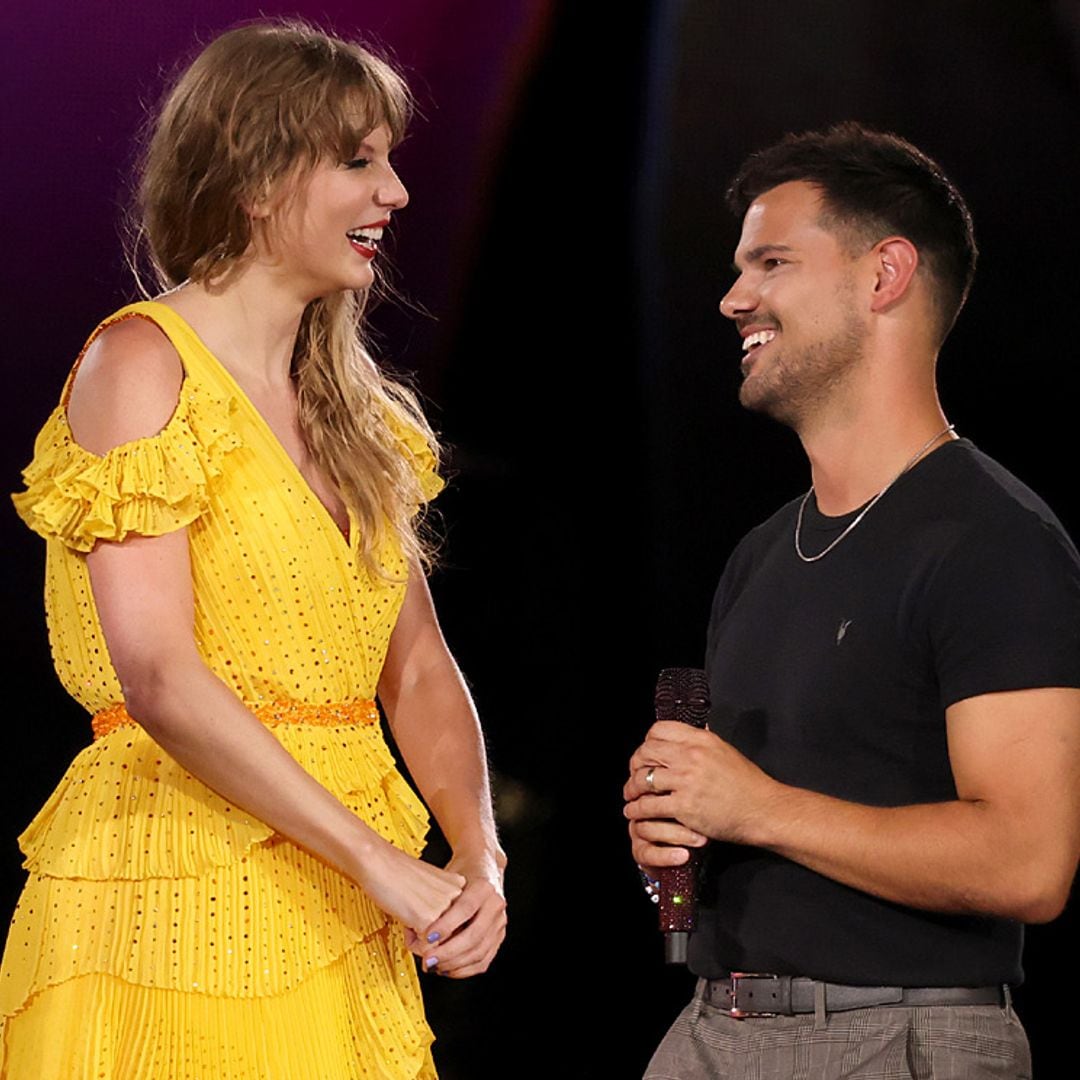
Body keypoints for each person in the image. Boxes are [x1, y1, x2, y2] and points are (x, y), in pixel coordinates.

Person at [1, 20, 505, 1079]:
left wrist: (478, 857)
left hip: (344, 905)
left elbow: (414, 666)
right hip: (174, 892)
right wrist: (381, 862)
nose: (397, 193)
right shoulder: (139, 365)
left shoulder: (358, 413)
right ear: (256, 176)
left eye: (392, 159)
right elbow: (159, 677)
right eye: (357, 160)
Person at [624, 122, 1080, 1078]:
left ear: (884, 277)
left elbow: (1031, 861)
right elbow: (760, 818)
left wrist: (755, 807)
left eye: (773, 262)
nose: (732, 296)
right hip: (713, 1030)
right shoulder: (758, 554)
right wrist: (682, 827)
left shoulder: (994, 540)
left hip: (896, 1038)